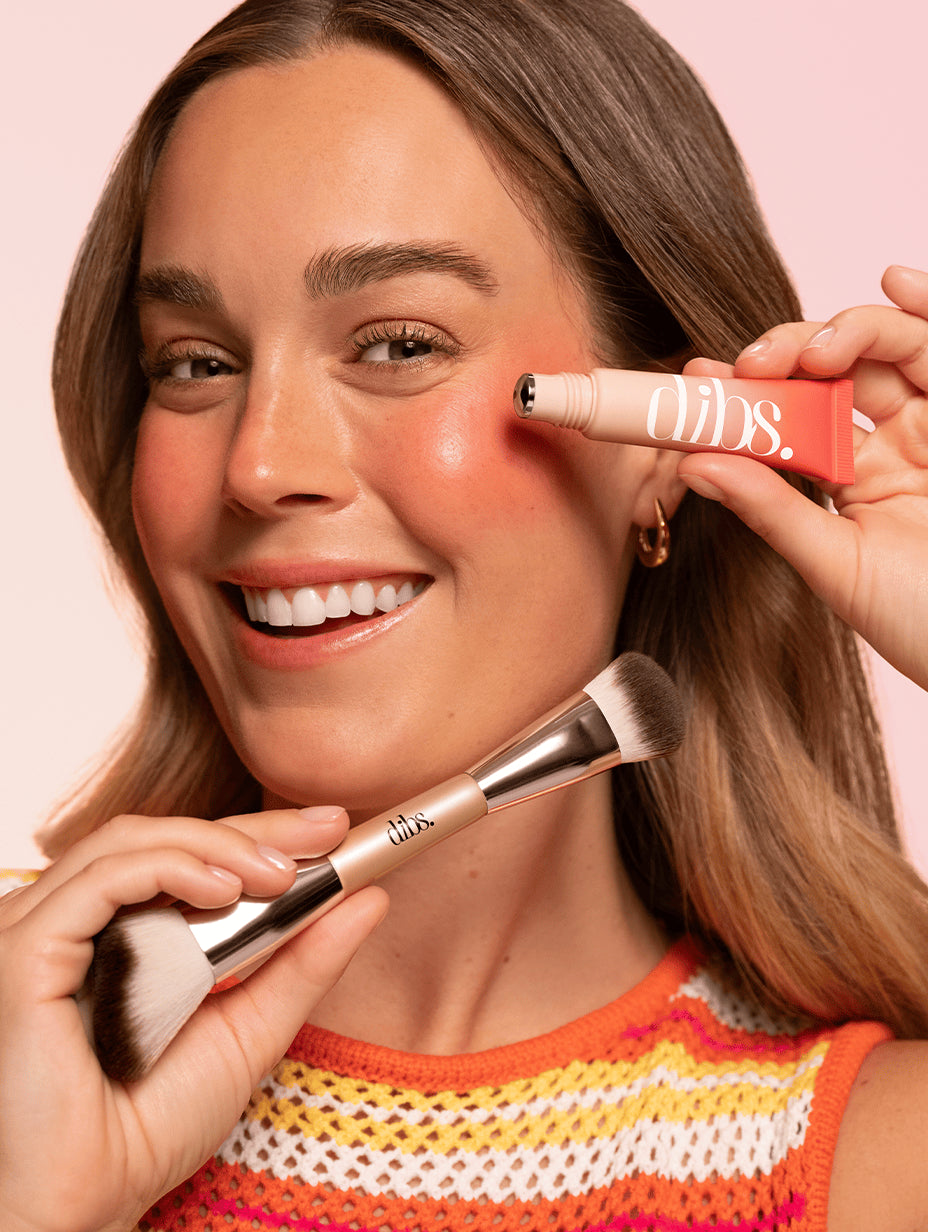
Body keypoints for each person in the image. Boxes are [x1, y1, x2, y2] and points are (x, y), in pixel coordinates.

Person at [2, 1, 928, 1228]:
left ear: (668, 438)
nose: (259, 465)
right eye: (194, 362)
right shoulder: (19, 1035)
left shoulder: (880, 1163)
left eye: (397, 344)